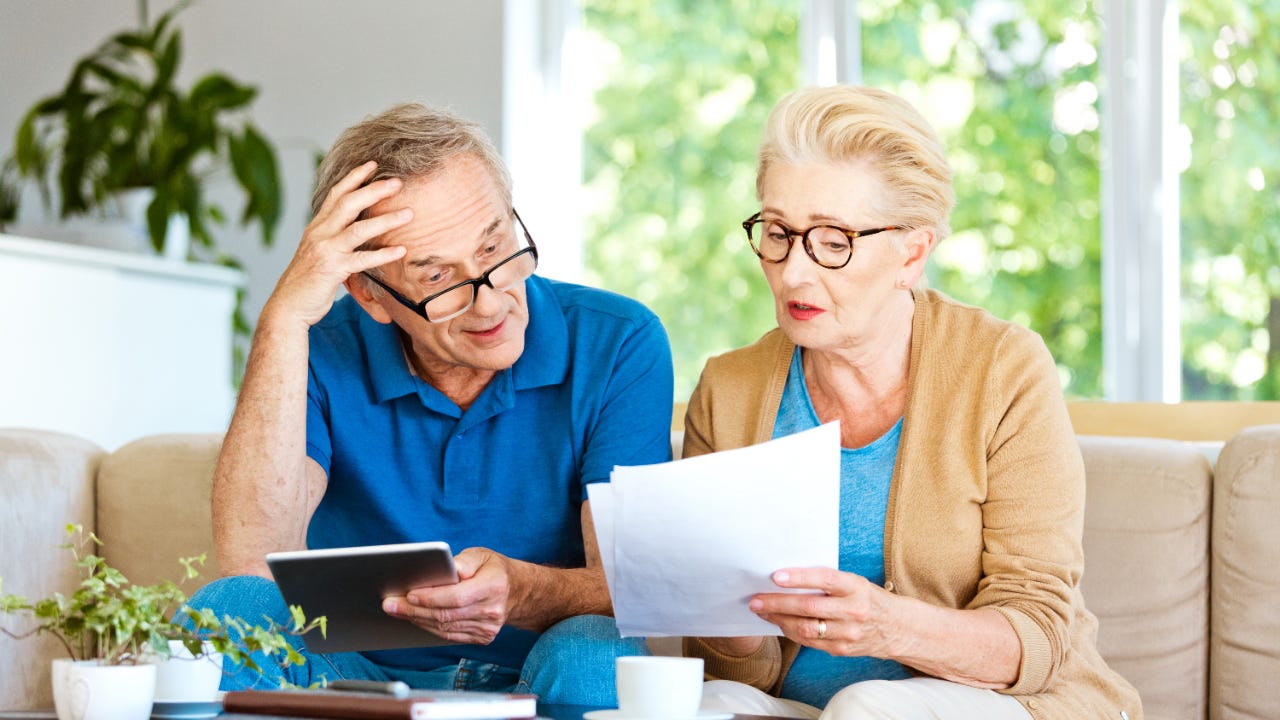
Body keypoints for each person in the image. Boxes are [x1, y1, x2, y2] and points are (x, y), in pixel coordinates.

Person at [680, 85, 1141, 719]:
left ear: (912, 252)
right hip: (802, 708)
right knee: (702, 703)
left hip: (1002, 704)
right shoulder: (729, 391)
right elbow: (736, 669)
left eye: (834, 241)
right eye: (779, 232)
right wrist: (729, 621)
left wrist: (887, 626)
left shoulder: (1003, 369)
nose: (793, 273)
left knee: (868, 706)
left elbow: (1038, 637)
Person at [189, 102, 673, 704]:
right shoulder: (317, 348)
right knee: (227, 608)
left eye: (497, 247)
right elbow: (247, 562)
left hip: (540, 673)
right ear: (370, 293)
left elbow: (631, 587)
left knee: (598, 655)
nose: (492, 304)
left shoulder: (619, 339)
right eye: (439, 279)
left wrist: (521, 591)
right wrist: (283, 320)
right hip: (351, 678)